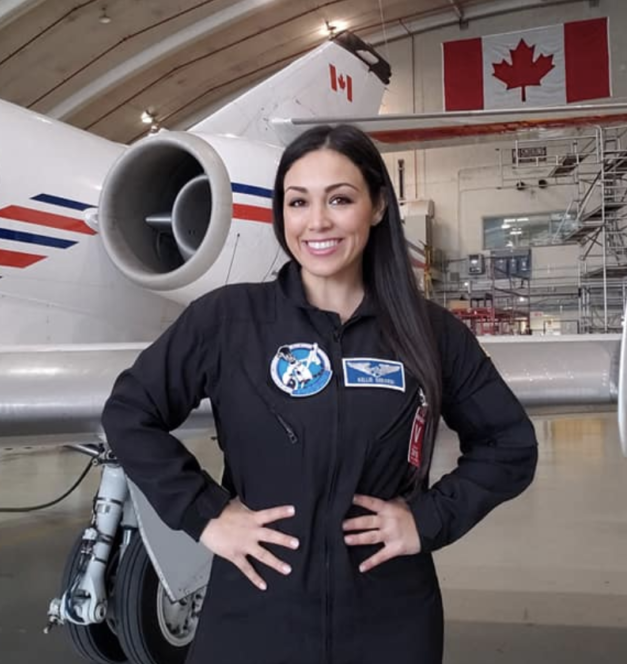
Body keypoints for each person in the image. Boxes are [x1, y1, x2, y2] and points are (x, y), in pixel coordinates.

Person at [101, 125, 538, 664]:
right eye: (298, 201)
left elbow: (510, 445)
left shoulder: (430, 333)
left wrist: (427, 519)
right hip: (253, 617)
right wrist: (205, 514)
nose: (317, 222)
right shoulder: (228, 320)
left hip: (389, 621)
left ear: (377, 205)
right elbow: (129, 413)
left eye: (340, 199)